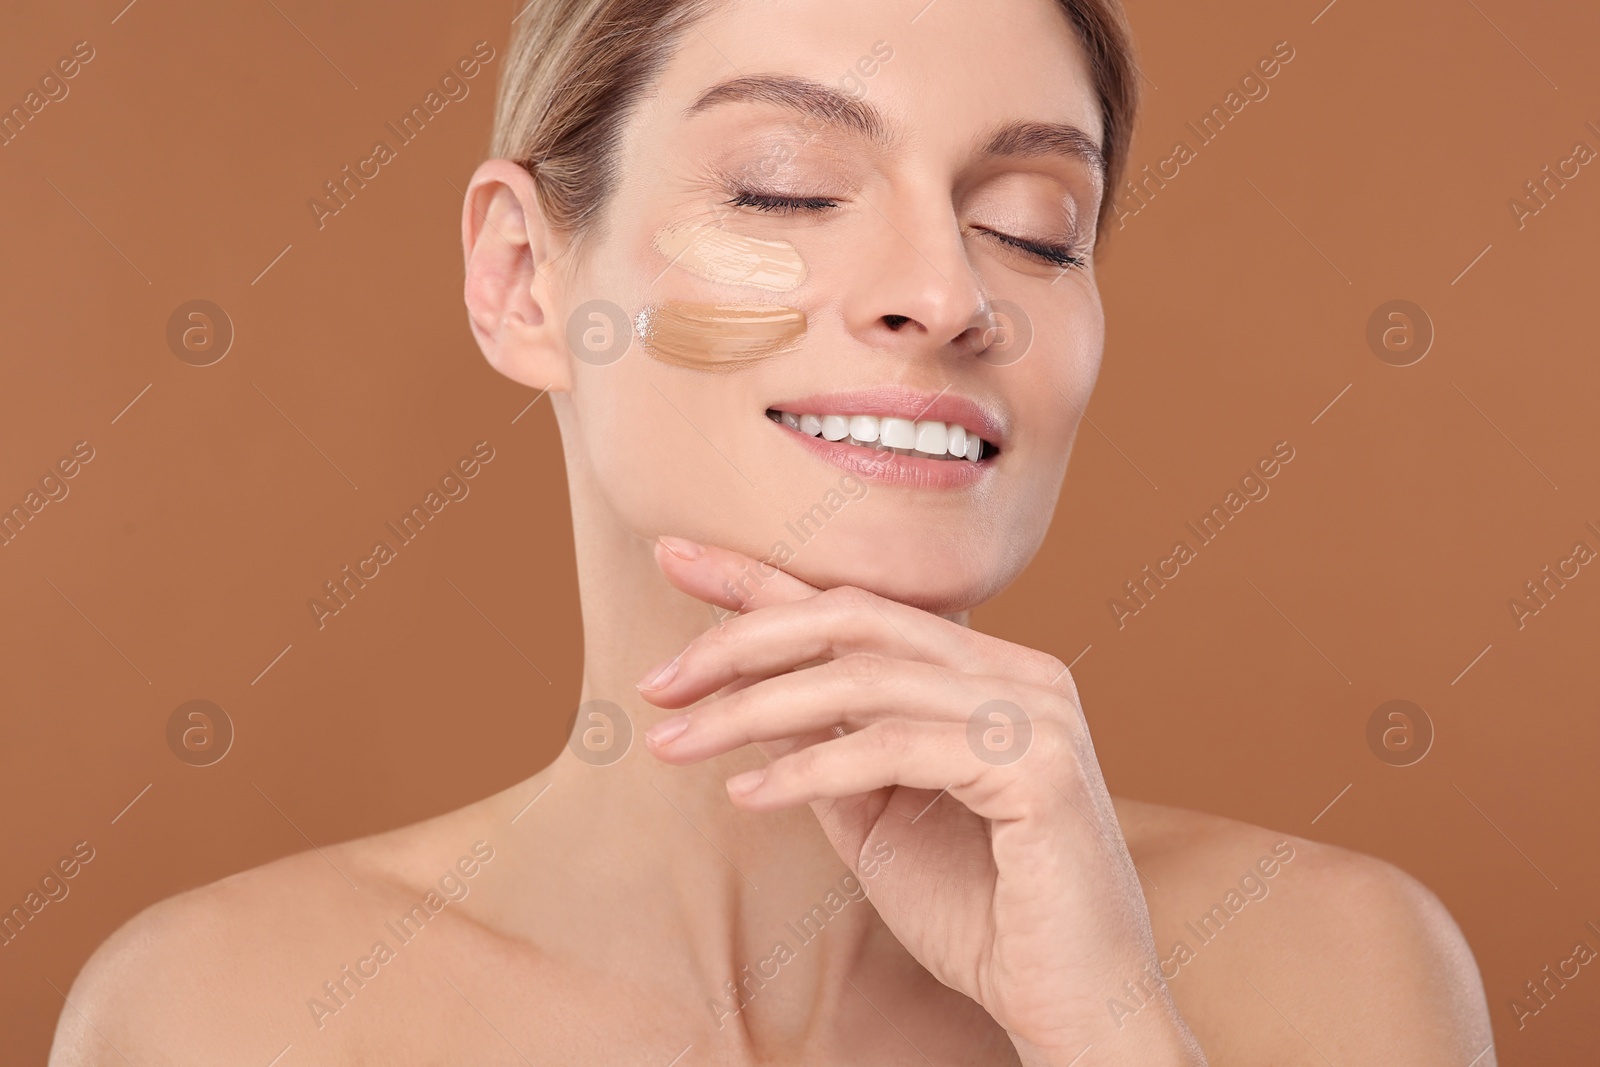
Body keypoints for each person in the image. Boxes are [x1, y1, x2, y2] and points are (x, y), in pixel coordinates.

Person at [52, 0, 1495, 1062]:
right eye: (785, 189)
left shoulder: (1341, 976)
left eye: (1035, 223)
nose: (945, 292)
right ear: (523, 280)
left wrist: (1117, 1034)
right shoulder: (223, 1015)